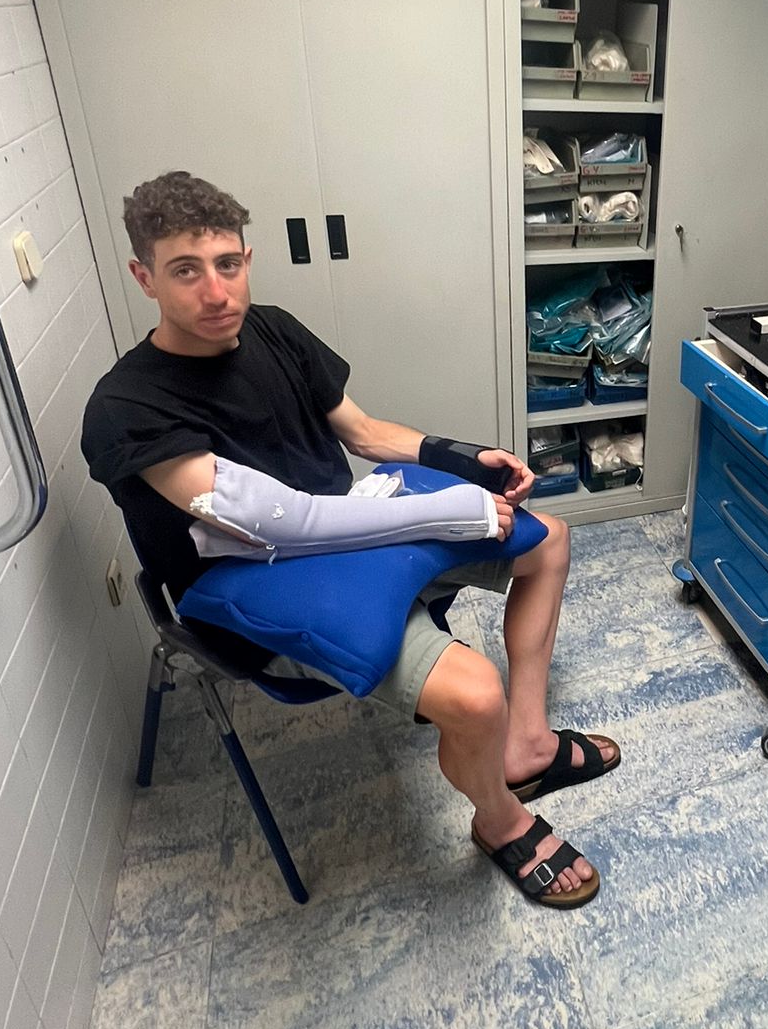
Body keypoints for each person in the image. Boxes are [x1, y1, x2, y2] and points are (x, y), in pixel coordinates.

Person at [81, 170, 616, 908]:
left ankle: (526, 746)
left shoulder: (271, 329)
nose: (216, 292)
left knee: (548, 540)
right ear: (144, 277)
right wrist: (446, 512)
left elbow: (362, 432)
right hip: (253, 584)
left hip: (348, 529)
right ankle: (499, 821)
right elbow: (279, 522)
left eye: (228, 264)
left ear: (247, 258)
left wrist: (463, 459)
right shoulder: (126, 405)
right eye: (185, 271)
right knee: (474, 696)